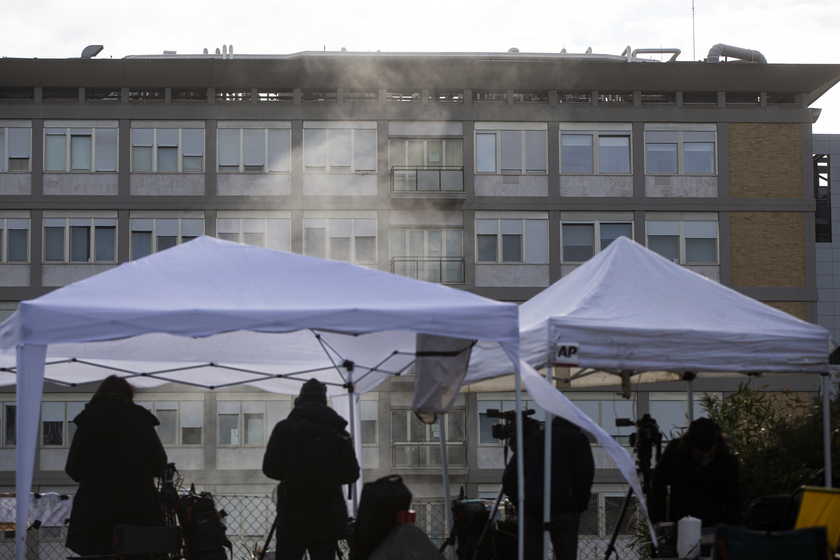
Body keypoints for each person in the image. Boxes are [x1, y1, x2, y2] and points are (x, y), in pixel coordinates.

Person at [65, 375, 168, 556]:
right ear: (129, 394)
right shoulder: (141, 423)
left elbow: (72, 468)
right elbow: (160, 465)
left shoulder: (88, 423)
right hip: (138, 516)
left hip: (93, 518)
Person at [263, 378, 360, 560]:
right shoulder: (339, 432)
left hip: (292, 517)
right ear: (324, 402)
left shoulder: (284, 428)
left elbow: (270, 469)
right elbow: (351, 474)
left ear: (300, 401)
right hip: (327, 519)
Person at [502, 416, 595, 560]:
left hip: (532, 509)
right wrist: (578, 505)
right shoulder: (577, 439)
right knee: (566, 554)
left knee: (532, 555)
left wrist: (523, 503)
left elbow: (508, 479)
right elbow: (585, 473)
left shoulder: (530, 440)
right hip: (565, 508)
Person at [650, 417, 742, 528]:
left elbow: (733, 496)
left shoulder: (727, 459)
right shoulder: (676, 452)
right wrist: (658, 519)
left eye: (710, 450)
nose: (706, 455)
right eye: (700, 451)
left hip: (713, 521)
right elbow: (658, 484)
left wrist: (730, 525)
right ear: (691, 445)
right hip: (681, 520)